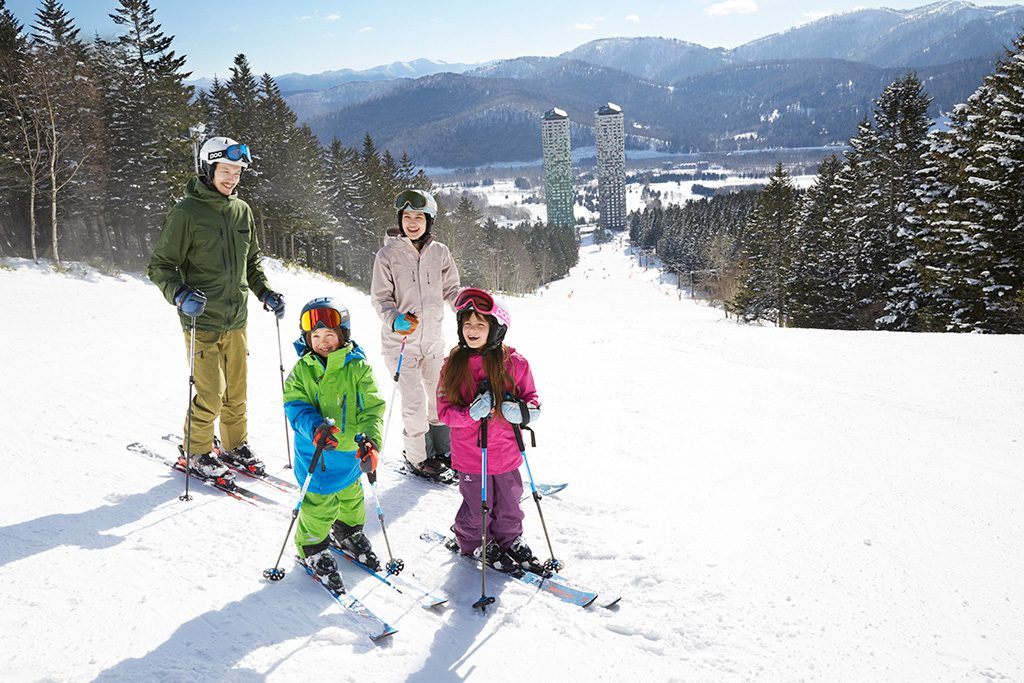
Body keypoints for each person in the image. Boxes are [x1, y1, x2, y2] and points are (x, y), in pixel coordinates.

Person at [148, 136, 285, 482]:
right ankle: (195, 451)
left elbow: (251, 262)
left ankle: (234, 444)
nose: (232, 179)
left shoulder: (242, 211)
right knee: (211, 393)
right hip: (202, 320)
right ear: (208, 169)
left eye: (237, 172)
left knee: (236, 392)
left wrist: (265, 292)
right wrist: (179, 294)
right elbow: (161, 266)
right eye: (226, 171)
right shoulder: (186, 213)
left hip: (236, 319)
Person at [436, 287, 544, 574]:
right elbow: (444, 412)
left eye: (480, 324)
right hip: (472, 456)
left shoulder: (515, 364)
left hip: (507, 452)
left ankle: (510, 539)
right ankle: (473, 541)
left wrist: (524, 411)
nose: (472, 330)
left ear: (496, 328)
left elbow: (532, 398)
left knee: (510, 502)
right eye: (467, 323)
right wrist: (470, 414)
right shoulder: (452, 366)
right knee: (478, 506)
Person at [283, 297, 385, 589]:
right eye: (315, 336)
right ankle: (312, 547)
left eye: (329, 335)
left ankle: (347, 531)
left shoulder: (358, 368)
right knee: (318, 505)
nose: (323, 342)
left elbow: (372, 409)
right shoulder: (303, 370)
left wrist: (371, 443)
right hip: (317, 456)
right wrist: (315, 428)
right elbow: (296, 406)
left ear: (343, 335)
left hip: (350, 455)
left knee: (352, 499)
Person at [371, 189, 461, 482]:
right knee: (414, 404)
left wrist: (464, 304)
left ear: (429, 220)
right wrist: (395, 320)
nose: (412, 222)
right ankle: (418, 458)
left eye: (419, 217)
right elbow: (381, 298)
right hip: (401, 345)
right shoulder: (387, 255)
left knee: (439, 397)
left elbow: (452, 289)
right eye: (407, 216)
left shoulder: (440, 252)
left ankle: (442, 451)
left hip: (433, 342)